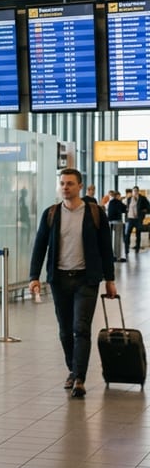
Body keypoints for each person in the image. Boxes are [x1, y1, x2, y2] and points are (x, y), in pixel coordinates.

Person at [29, 168, 117, 399]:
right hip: (59, 280)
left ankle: (79, 378)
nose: (65, 187)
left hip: (86, 280)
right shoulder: (51, 213)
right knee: (65, 332)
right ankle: (73, 368)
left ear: (80, 186)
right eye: (62, 184)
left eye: (70, 183)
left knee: (81, 328)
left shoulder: (95, 213)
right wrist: (34, 277)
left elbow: (106, 249)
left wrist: (110, 279)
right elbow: (40, 246)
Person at [125, 186, 149, 254]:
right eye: (134, 191)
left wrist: (143, 212)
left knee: (138, 234)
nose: (135, 192)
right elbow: (127, 208)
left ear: (138, 191)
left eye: (136, 190)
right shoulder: (129, 199)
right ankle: (127, 248)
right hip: (130, 219)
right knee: (127, 234)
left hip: (138, 219)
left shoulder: (142, 198)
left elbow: (148, 207)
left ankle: (137, 248)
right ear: (132, 192)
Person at [106, 190, 128, 262]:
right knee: (118, 240)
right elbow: (125, 209)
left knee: (111, 239)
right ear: (117, 196)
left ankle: (112, 256)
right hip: (118, 222)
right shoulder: (118, 202)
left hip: (110, 222)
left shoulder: (110, 202)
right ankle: (118, 256)